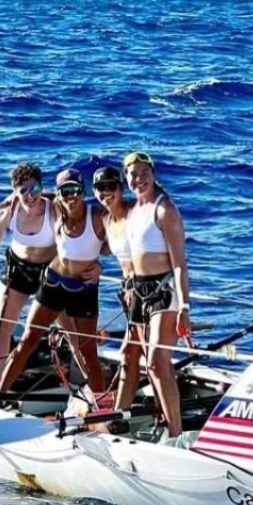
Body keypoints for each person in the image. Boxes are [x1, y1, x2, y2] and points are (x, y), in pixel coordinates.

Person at [0, 169, 107, 396]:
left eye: (75, 190)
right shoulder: (56, 208)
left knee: (88, 353)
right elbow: (37, 196)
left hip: (84, 289)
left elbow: (119, 238)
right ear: (59, 194)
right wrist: (13, 198)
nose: (71, 196)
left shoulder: (96, 215)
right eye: (66, 191)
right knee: (27, 341)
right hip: (53, 283)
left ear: (83, 191)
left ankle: (102, 407)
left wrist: (100, 267)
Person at [0, 163, 59, 389]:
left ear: (42, 187)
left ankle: (82, 385)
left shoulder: (54, 211)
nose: (30, 196)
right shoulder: (7, 212)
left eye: (35, 189)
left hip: (49, 271)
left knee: (69, 329)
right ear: (14, 191)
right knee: (2, 330)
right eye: (23, 191)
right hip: (18, 271)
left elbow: (74, 246)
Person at [123, 151, 189, 437]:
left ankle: (177, 433)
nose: (138, 179)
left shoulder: (165, 210)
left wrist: (185, 304)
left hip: (164, 291)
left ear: (153, 174)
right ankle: (164, 421)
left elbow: (179, 264)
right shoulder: (134, 211)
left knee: (156, 361)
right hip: (139, 291)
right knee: (146, 365)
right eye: (133, 174)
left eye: (143, 173)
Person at [91, 166, 145, 412]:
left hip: (148, 291)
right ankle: (121, 411)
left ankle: (167, 420)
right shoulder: (105, 219)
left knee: (144, 356)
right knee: (131, 354)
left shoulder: (136, 211)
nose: (107, 192)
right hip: (128, 292)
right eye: (101, 188)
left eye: (112, 187)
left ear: (121, 188)